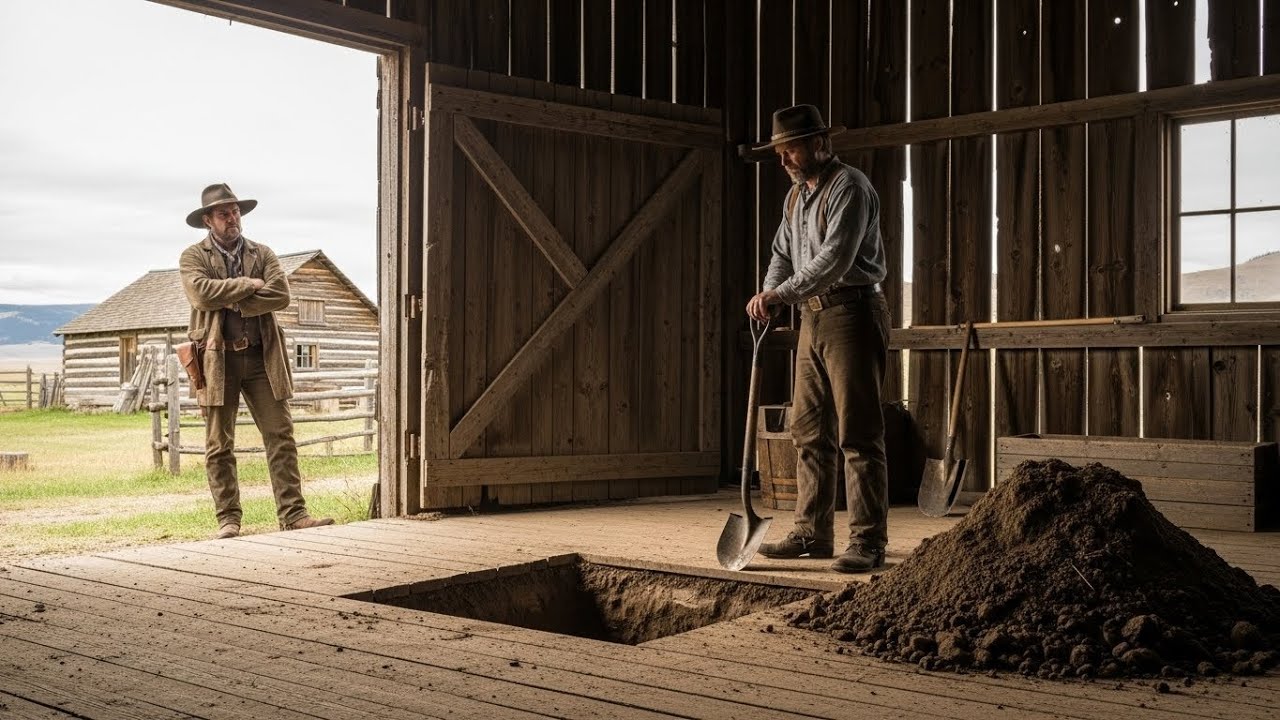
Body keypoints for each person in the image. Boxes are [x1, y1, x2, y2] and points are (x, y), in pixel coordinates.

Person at [747, 105, 890, 574]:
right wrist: (769, 293)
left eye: (791, 149)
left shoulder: (850, 187)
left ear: (819, 144)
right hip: (813, 316)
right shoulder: (796, 198)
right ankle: (812, 533)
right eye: (779, 151)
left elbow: (834, 259)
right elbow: (781, 253)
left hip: (852, 312)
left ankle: (868, 541)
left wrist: (781, 294)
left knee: (858, 434)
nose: (783, 159)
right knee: (808, 430)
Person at [179, 183, 334, 539]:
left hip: (263, 356)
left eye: (235, 211)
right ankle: (228, 519)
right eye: (224, 213)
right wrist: (250, 284)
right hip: (217, 359)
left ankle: (293, 515)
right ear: (208, 220)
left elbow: (280, 294)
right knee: (219, 443)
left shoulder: (262, 252)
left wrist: (231, 298)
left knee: (281, 435)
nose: (232, 218)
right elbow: (200, 293)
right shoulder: (193, 256)